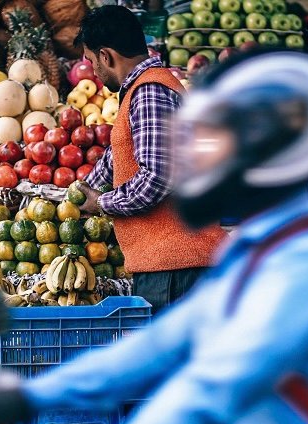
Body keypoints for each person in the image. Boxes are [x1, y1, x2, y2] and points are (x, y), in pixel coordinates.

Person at [0, 51, 308, 424]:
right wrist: (32, 394)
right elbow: (158, 344)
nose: (196, 156)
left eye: (214, 140)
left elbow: (208, 394)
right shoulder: (253, 249)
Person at [74, 5, 225, 313]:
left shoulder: (149, 92)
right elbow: (121, 152)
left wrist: (101, 203)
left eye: (91, 62)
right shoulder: (143, 91)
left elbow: (157, 176)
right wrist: (81, 191)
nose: (94, 72)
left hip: (177, 269)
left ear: (106, 56)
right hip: (171, 266)